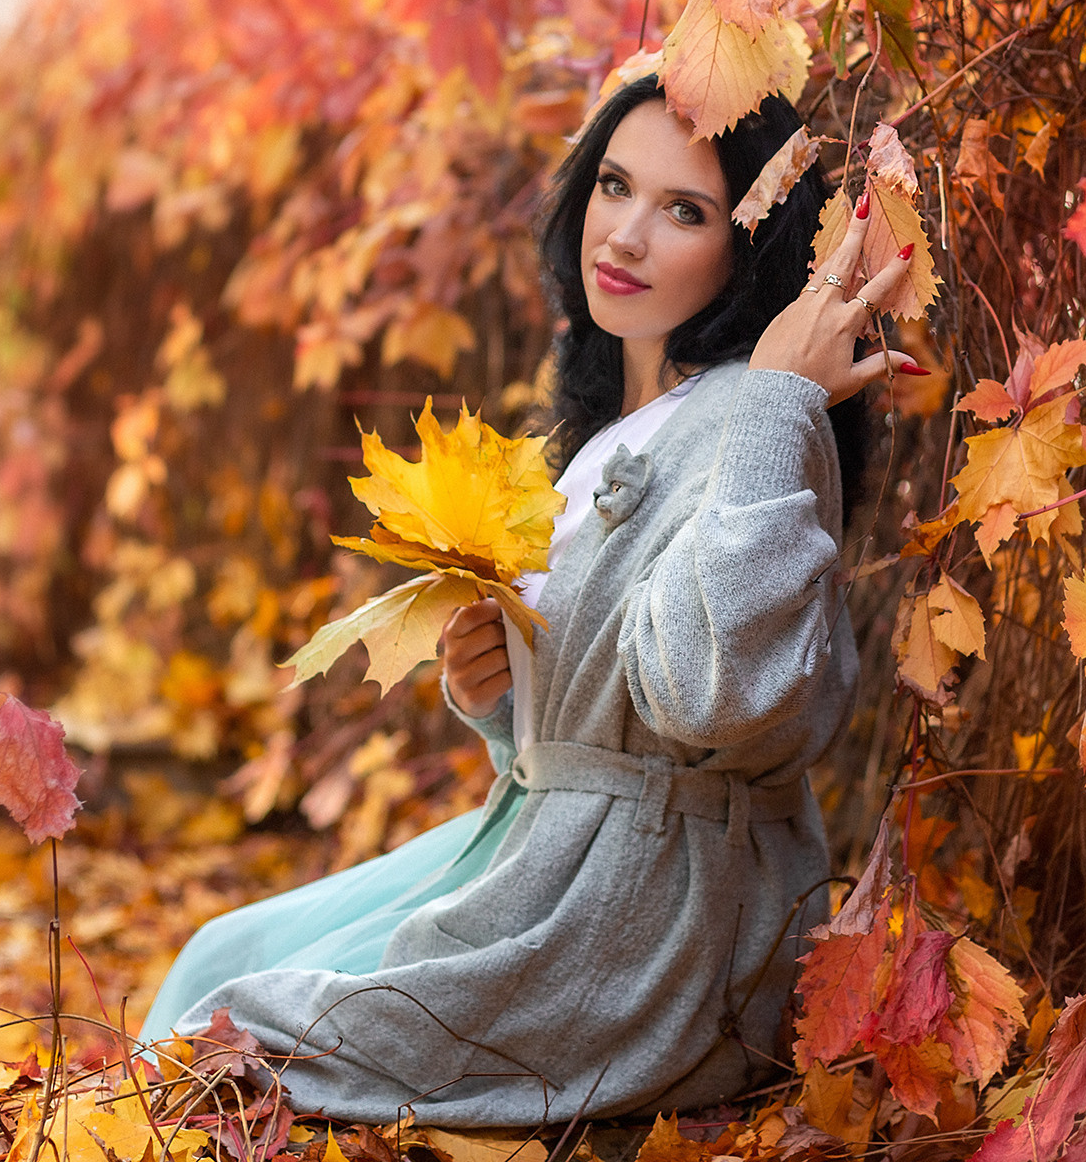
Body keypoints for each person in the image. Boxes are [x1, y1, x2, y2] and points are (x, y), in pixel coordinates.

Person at [138, 76, 925, 1125]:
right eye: (613, 186)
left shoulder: (756, 418)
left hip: (649, 915)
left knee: (233, 1045)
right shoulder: (607, 431)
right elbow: (599, 714)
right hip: (537, 853)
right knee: (216, 959)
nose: (627, 234)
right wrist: (506, 703)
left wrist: (782, 399)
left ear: (747, 249)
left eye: (683, 211)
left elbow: (723, 698)